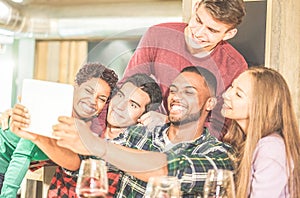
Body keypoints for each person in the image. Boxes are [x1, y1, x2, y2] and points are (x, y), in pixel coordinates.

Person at [16, 66, 236, 197]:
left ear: (210, 103)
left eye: (189, 91)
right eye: (174, 90)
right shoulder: (137, 136)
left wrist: (97, 145)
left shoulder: (219, 154)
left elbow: (170, 170)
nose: (176, 96)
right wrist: (38, 137)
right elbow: (80, 165)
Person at [122, 0, 248, 139]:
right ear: (195, 7)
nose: (199, 33)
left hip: (194, 144)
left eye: (212, 30)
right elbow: (127, 88)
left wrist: (168, 123)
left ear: (229, 34)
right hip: (145, 129)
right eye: (198, 21)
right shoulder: (158, 35)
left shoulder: (234, 65)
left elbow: (220, 125)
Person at [0, 62, 118, 198]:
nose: (93, 101)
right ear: (76, 87)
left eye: (101, 98)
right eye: (89, 91)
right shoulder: (51, 108)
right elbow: (22, 155)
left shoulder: (82, 129)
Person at [47, 73, 162, 197]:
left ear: (144, 116)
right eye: (120, 96)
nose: (120, 106)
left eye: (132, 105)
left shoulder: (137, 145)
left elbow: (78, 162)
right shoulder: (89, 124)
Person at [221, 66, 300, 198]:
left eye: (238, 94)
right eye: (231, 87)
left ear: (260, 107)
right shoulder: (248, 142)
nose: (226, 95)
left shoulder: (271, 147)